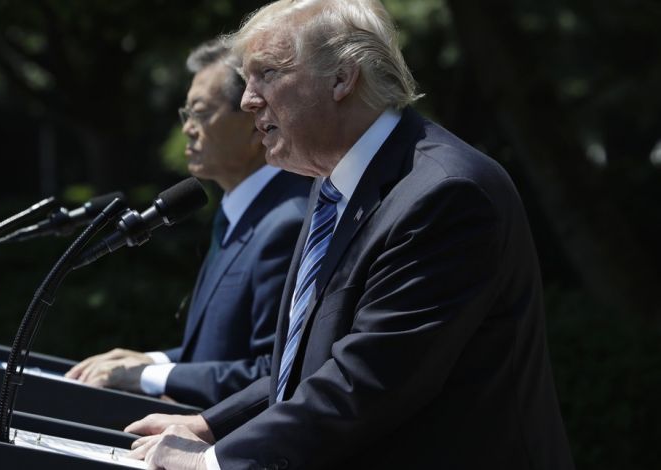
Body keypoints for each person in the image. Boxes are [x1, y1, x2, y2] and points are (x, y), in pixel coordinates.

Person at [125, 1, 574, 469]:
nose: (247, 100)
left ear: (342, 78)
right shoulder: (333, 181)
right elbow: (304, 368)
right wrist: (211, 424)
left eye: (268, 74)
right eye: (247, 79)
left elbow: (370, 380)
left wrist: (211, 461)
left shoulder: (446, 193)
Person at [65, 40, 312, 408]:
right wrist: (153, 360)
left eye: (200, 113)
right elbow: (217, 352)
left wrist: (147, 377)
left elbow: (272, 375)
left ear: (252, 120)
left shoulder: (288, 222)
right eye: (186, 115)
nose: (188, 129)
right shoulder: (234, 212)